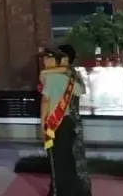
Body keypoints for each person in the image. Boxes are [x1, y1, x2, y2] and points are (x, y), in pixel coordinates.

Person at [40, 47, 91, 196]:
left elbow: (45, 100)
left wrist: (42, 123)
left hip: (54, 123)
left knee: (56, 160)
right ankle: (71, 191)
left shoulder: (50, 77)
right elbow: (81, 90)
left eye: (47, 58)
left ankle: (58, 191)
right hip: (68, 122)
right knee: (68, 159)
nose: (44, 61)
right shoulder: (68, 78)